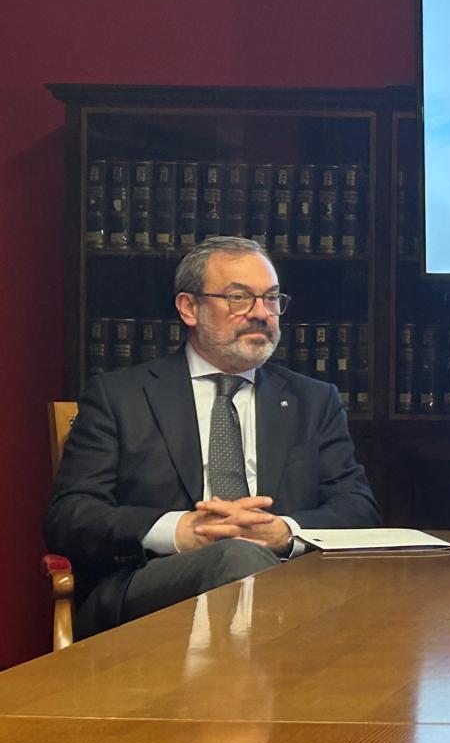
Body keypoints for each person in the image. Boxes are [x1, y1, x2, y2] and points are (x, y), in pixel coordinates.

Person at [46, 236, 379, 638]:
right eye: (239, 298)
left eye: (272, 299)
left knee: (251, 560)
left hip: (287, 580)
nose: (262, 314)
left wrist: (285, 532)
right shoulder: (120, 397)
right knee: (235, 556)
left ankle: (245, 689)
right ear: (189, 308)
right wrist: (180, 531)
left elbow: (359, 508)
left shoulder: (313, 400)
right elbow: (70, 517)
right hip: (152, 587)